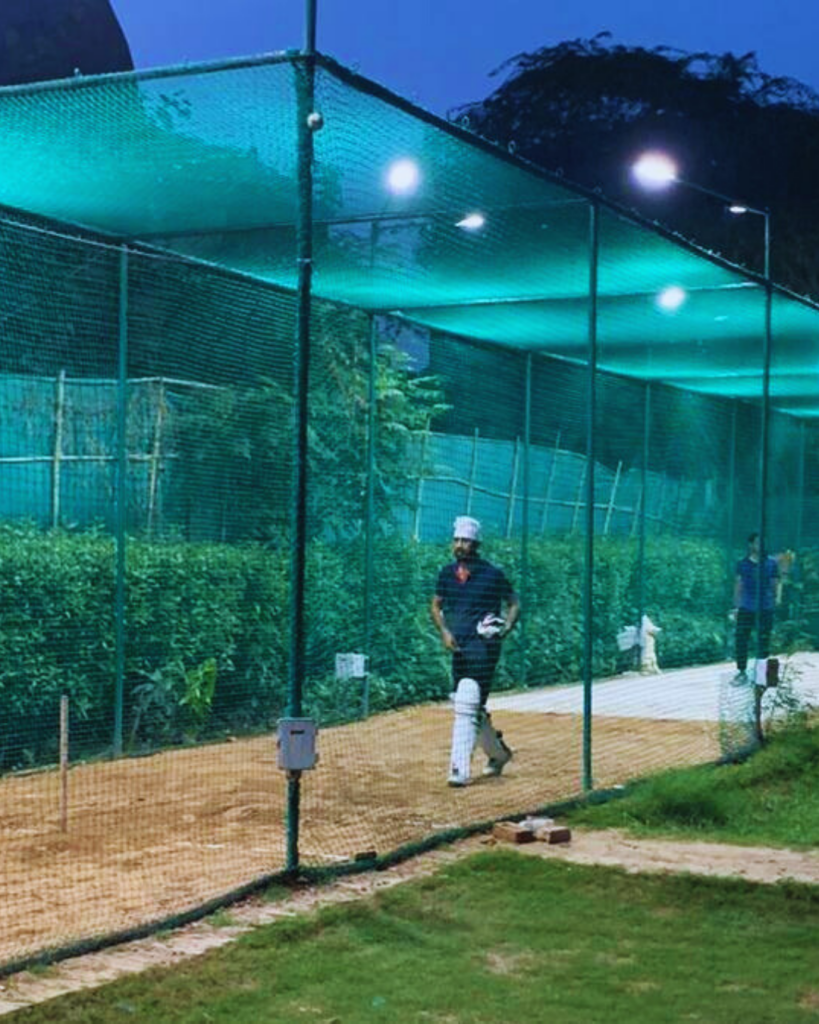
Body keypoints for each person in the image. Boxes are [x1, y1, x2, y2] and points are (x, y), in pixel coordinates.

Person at [431, 515, 520, 787]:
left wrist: (505, 628)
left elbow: (514, 602)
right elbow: (435, 605)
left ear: (476, 543)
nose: (460, 545)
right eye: (457, 540)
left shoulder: (492, 573)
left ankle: (459, 770)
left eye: (465, 541)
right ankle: (499, 753)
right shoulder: (447, 573)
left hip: (484, 648)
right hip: (458, 646)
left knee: (468, 701)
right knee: (468, 704)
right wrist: (445, 632)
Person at [732, 532, 782, 681]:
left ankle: (762, 676)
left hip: (765, 607)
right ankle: (741, 671)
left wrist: (776, 599)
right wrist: (736, 606)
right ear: (751, 545)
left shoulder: (771, 563)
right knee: (741, 639)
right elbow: (738, 584)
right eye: (758, 542)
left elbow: (776, 583)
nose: (761, 546)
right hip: (746, 607)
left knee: (764, 640)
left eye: (763, 542)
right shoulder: (742, 564)